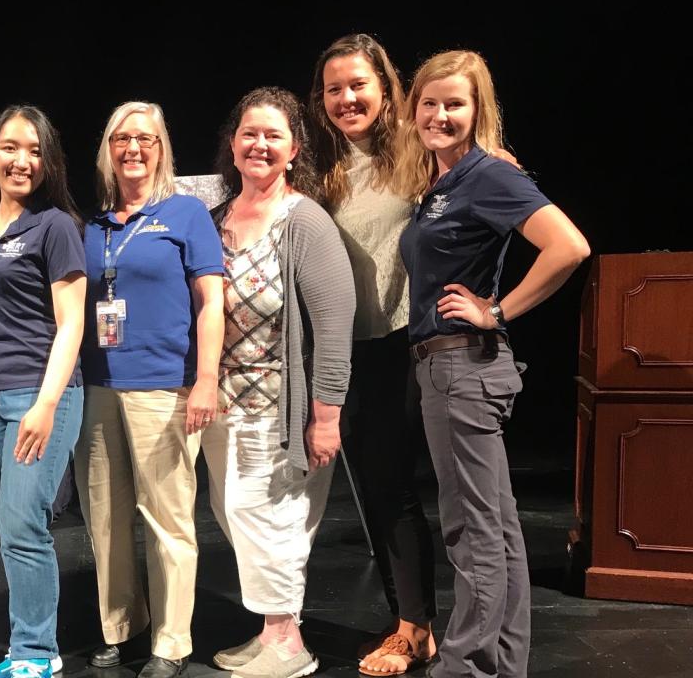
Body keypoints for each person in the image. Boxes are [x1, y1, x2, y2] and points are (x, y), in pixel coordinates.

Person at [394, 50, 589, 678]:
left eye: (455, 103)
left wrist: (497, 311)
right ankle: (502, 663)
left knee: (472, 532)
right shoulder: (443, 182)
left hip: (462, 369)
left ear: (479, 111)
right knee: (497, 529)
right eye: (429, 102)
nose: (440, 114)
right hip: (454, 370)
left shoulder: (487, 176)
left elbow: (569, 247)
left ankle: (466, 666)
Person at [202, 87, 355, 678]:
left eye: (273, 136)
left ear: (294, 149)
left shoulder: (306, 222)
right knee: (236, 516)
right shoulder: (216, 220)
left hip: (281, 409)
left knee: (277, 521)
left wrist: (325, 418)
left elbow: (334, 326)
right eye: (249, 134)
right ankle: (271, 632)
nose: (259, 144)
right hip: (222, 407)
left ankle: (288, 646)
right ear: (233, 145)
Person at [75, 101, 223, 678]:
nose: (133, 148)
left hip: (165, 387)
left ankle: (171, 640)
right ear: (107, 150)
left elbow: (212, 302)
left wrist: (206, 378)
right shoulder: (92, 227)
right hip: (97, 386)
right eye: (121, 139)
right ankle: (121, 626)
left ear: (162, 148)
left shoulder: (186, 214)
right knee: (105, 518)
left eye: (146, 138)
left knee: (167, 517)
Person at [308, 33, 437, 676]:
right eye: (334, 88)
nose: (346, 98)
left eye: (358, 84)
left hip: (403, 342)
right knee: (375, 488)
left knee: (394, 485)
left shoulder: (420, 152)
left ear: (386, 88)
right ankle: (407, 620)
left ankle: (414, 626)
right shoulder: (321, 168)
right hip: (344, 349)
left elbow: (487, 180)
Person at [0, 105, 86, 678]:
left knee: (23, 523)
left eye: (35, 151)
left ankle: (38, 653)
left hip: (37, 395)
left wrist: (46, 402)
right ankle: (23, 644)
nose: (22, 160)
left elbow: (73, 322)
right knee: (5, 521)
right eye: (11, 147)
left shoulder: (55, 225)